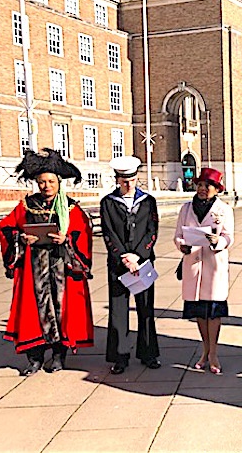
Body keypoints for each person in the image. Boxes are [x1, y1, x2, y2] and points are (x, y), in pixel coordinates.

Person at [0, 149, 94, 376]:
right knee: (33, 312)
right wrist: (21, 239)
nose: (46, 186)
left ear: (58, 182)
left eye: (51, 181)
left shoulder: (70, 208)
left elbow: (84, 234)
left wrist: (66, 239)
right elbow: (7, 227)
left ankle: (59, 356)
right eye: (42, 182)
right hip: (34, 270)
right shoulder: (27, 205)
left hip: (62, 268)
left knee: (62, 312)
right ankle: (35, 358)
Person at [101, 156, 161, 374]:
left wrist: (138, 255)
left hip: (142, 263)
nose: (129, 184)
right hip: (119, 263)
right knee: (118, 311)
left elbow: (152, 230)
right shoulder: (108, 202)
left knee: (146, 309)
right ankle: (120, 356)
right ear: (117, 179)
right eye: (124, 180)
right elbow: (108, 232)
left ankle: (149, 353)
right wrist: (124, 258)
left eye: (133, 179)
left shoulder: (148, 201)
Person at [174, 168, 234, 374]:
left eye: (207, 185)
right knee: (199, 311)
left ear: (216, 189)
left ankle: (214, 353)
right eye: (199, 184)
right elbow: (178, 234)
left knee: (214, 311)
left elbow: (229, 237)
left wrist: (219, 242)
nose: (202, 189)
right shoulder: (186, 208)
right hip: (193, 264)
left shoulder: (224, 209)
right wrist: (182, 245)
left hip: (214, 264)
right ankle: (205, 349)